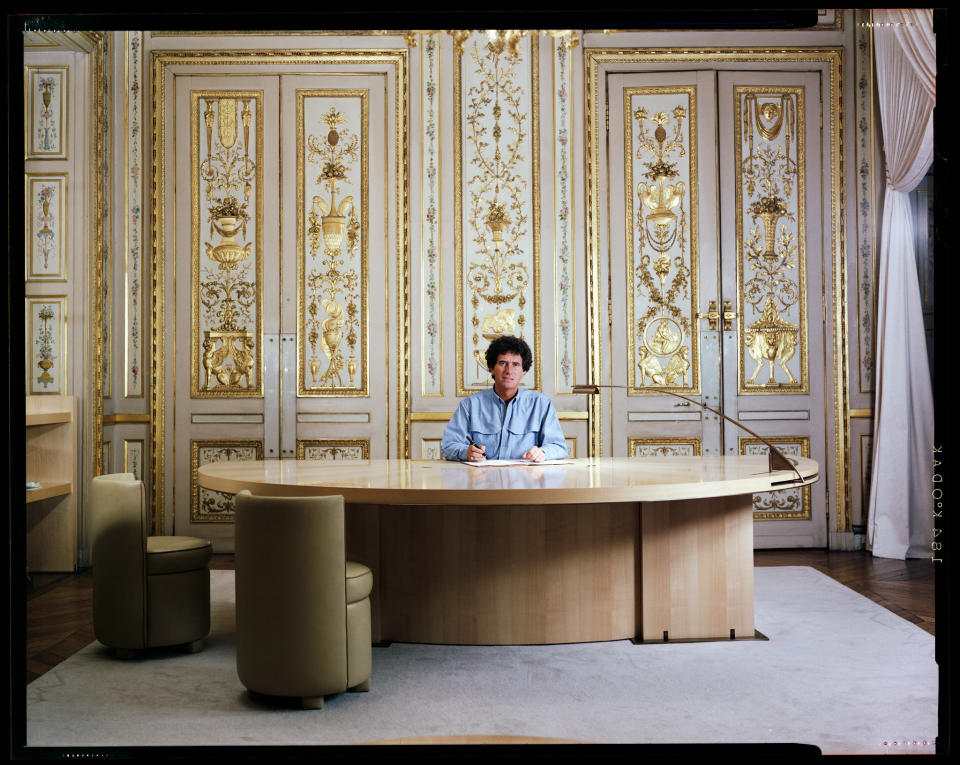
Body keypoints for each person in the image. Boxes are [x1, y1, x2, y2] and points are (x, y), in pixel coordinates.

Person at [440, 336, 568, 463]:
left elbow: (559, 447)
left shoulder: (541, 404)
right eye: (502, 363)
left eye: (516, 365)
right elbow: (448, 445)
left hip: (526, 481)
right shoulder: (470, 405)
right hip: (483, 481)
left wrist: (543, 452)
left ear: (524, 371)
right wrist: (466, 452)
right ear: (491, 368)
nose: (509, 371)